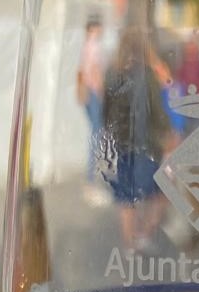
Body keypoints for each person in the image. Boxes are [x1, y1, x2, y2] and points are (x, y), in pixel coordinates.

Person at [102, 29, 173, 250]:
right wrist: (168, 133)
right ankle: (144, 233)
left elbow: (105, 112)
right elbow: (157, 110)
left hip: (119, 144)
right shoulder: (147, 74)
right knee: (162, 192)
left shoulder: (111, 73)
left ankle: (129, 244)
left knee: (126, 197)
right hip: (146, 144)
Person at [77, 18, 108, 199]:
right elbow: (95, 71)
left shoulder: (85, 46)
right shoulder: (95, 46)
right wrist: (102, 91)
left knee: (95, 131)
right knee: (97, 133)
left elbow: (82, 71)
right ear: (93, 29)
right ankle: (91, 178)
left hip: (88, 92)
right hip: (95, 92)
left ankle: (91, 177)